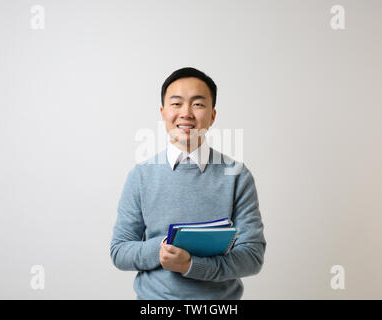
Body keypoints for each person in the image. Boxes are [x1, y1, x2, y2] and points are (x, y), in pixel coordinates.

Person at [110, 67, 266, 299]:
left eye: (198, 104)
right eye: (176, 104)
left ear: (212, 115)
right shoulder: (141, 176)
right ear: (163, 113)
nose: (186, 113)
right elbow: (120, 251)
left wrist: (191, 265)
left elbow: (252, 256)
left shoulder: (237, 175)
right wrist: (163, 248)